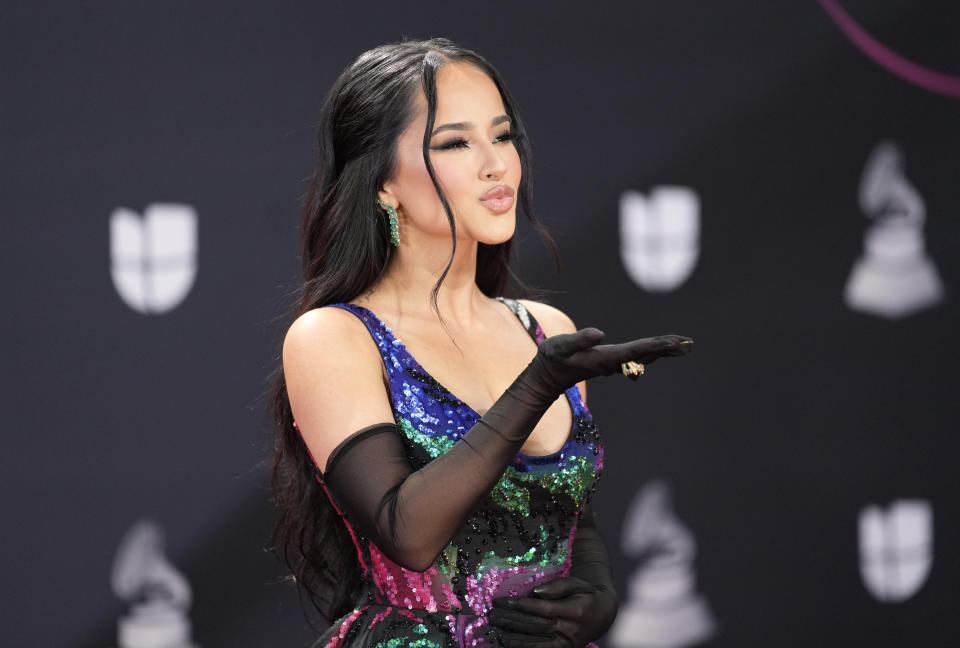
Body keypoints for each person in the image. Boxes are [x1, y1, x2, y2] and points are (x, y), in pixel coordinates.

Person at [269, 37, 693, 648]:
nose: (497, 164)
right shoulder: (333, 336)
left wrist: (597, 595)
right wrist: (538, 384)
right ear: (383, 181)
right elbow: (408, 533)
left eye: (502, 135)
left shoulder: (546, 327)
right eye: (456, 143)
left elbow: (573, 512)